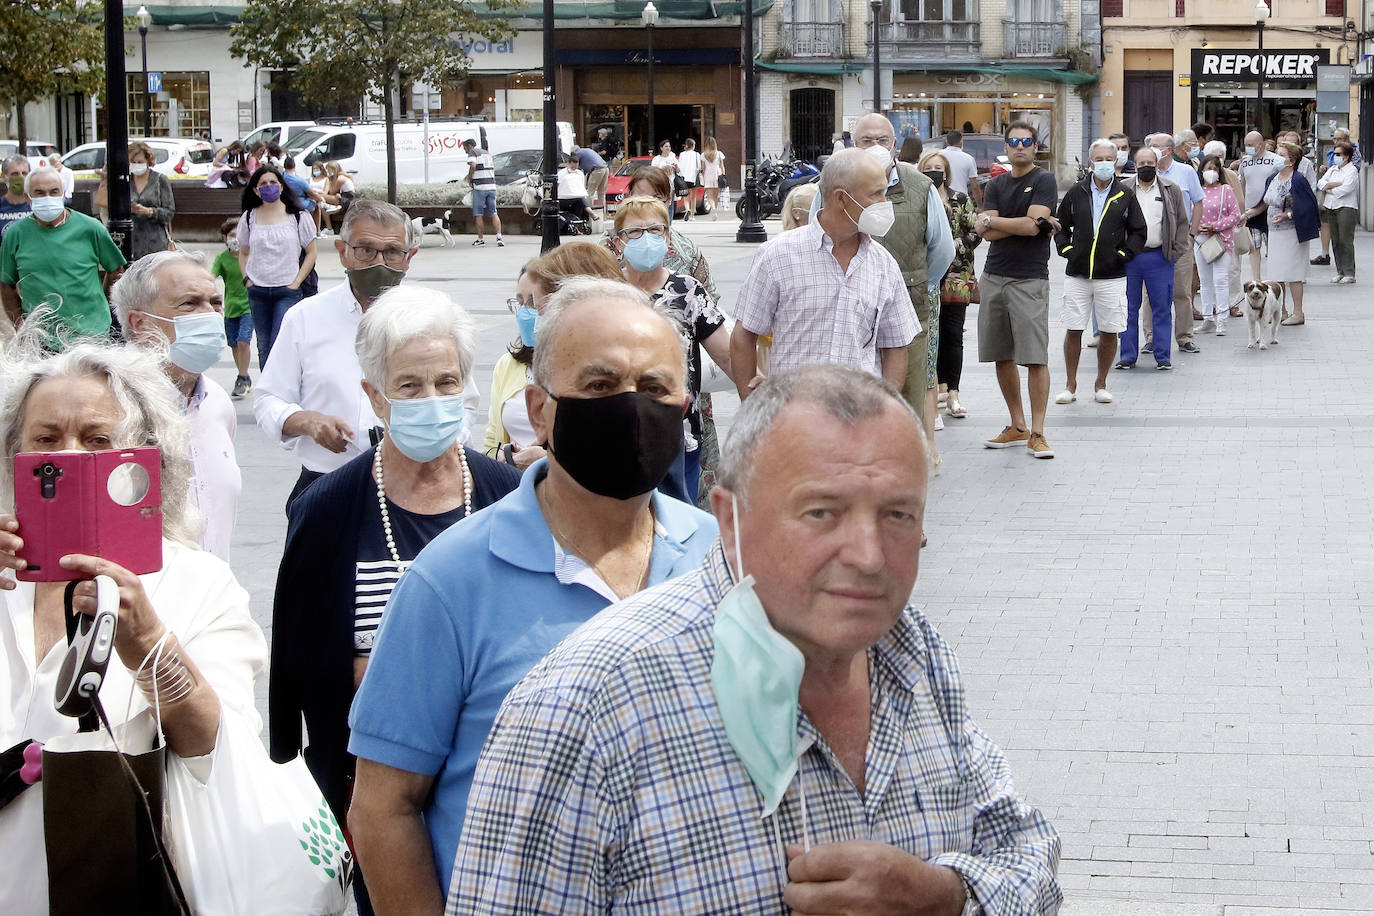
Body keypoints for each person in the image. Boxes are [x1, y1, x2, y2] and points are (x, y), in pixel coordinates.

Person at [446, 364, 1063, 915]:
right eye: (822, 512)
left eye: (898, 514)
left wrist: (945, 897)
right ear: (731, 519)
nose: (869, 556)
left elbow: (1028, 850)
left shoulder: (913, 652)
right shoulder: (587, 706)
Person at [347, 278, 719, 912]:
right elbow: (383, 809)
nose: (632, 409)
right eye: (600, 387)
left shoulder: (719, 556)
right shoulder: (450, 581)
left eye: (655, 389)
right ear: (540, 409)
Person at [269, 287, 520, 915]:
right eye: (409, 386)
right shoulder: (326, 510)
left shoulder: (511, 497)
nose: (432, 400)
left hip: (498, 774)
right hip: (371, 776)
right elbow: (297, 656)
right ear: (375, 395)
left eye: (446, 381)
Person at [0, 340, 267, 914]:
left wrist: (148, 642)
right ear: (13, 454)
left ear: (144, 457)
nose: (68, 457)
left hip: (131, 886)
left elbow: (215, 751)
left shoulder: (197, 583)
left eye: (97, 440)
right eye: (46, 439)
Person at [254, 199, 474, 513]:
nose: (379, 262)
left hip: (424, 487)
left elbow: (464, 401)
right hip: (327, 484)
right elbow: (268, 398)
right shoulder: (305, 318)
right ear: (343, 251)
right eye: (366, 250)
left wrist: (437, 437)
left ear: (409, 257)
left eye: (392, 252)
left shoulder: (437, 317)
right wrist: (306, 421)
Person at [730, 148, 920, 396]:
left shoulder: (883, 265)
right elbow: (743, 336)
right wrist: (751, 403)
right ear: (841, 198)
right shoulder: (778, 255)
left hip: (858, 418)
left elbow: (895, 346)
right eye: (877, 194)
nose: (885, 203)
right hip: (794, 417)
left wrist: (886, 407)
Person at [613, 196, 735, 503]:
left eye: (655, 230)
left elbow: (726, 354)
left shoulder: (688, 289)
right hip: (616, 429)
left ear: (668, 237)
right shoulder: (607, 291)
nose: (647, 238)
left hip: (677, 432)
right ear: (618, 243)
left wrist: (760, 391)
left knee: (678, 518)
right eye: (635, 232)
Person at [850, 114, 954, 455]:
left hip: (909, 309)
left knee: (906, 397)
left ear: (895, 144)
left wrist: (916, 284)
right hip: (849, 313)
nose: (875, 147)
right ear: (854, 145)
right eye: (867, 140)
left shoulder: (920, 186)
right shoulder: (835, 184)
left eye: (882, 140)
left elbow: (942, 250)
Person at [484, 243, 625, 469]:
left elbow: (623, 457)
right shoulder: (552, 364)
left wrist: (546, 463)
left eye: (540, 306)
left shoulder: (626, 369)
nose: (535, 317)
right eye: (523, 303)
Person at [975, 121, 1061, 458]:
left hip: (1029, 278)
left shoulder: (1044, 180)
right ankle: (1017, 424)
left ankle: (1038, 431)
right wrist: (1026, 225)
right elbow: (990, 234)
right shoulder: (996, 183)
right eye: (1013, 141)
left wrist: (994, 221)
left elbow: (1026, 226)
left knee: (1035, 357)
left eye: (1026, 141)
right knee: (1001, 353)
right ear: (1006, 147)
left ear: (1035, 147)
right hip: (994, 275)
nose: (1020, 146)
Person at [1052, 139, 1146, 406]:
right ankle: (1070, 385)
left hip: (1112, 275)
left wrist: (1122, 255)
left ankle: (1101, 383)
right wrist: (1067, 249)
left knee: (1109, 330)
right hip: (1077, 274)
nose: (1103, 163)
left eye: (1108, 158)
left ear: (1115, 162)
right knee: (1073, 328)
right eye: (1098, 159)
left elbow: (1139, 231)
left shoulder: (1125, 194)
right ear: (1090, 162)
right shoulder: (1076, 192)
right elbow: (1061, 226)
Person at [0, 167, 126, 345]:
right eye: (39, 193)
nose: (47, 197)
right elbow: (6, 285)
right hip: (41, 340)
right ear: (28, 197)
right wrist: (21, 327)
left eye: (53, 192)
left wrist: (102, 301)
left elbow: (116, 269)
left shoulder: (91, 228)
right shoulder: (15, 234)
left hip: (91, 334)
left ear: (63, 194)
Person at [235, 164, 318, 369]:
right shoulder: (249, 217)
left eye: (273, 182)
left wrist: (296, 282)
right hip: (258, 290)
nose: (268, 186)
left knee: (280, 343)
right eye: (263, 183)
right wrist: (247, 279)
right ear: (256, 190)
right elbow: (243, 252)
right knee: (264, 346)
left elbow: (311, 253)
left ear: (281, 186)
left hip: (287, 289)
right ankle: (268, 391)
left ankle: (285, 387)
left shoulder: (298, 216)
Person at [1117, 146, 1189, 370]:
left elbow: (1181, 222)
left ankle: (1163, 356)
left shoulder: (1170, 189)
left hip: (1159, 257)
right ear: (1135, 165)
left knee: (1162, 308)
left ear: (1157, 165)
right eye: (1141, 163)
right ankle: (1128, 355)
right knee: (1127, 308)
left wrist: (1175, 251)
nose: (1146, 167)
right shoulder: (1123, 188)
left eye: (1150, 163)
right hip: (1130, 258)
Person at [601, 165, 719, 300]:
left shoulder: (686, 250)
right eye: (641, 198)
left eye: (656, 198)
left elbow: (709, 296)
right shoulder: (608, 244)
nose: (648, 205)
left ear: (669, 200)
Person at [925, 150, 981, 421]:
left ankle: (954, 393)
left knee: (953, 333)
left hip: (957, 276)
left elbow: (976, 231)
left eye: (938, 167)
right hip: (927, 275)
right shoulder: (918, 198)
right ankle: (937, 388)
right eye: (929, 167)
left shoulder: (960, 198)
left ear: (946, 171)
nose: (934, 171)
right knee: (930, 334)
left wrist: (952, 246)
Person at [1245, 140, 1319, 326]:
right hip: (1275, 233)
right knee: (1277, 273)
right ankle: (1282, 310)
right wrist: (1249, 214)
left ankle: (1298, 312)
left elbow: (1309, 206)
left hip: (1292, 233)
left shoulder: (1298, 179)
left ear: (1291, 160)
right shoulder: (1273, 178)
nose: (1277, 158)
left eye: (1281, 155)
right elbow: (1265, 203)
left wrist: (1288, 215)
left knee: (1294, 273)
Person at [1147, 132, 1204, 354]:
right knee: (1150, 292)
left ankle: (1185, 337)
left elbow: (1198, 202)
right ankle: (1151, 337)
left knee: (1181, 289)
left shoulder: (1186, 172)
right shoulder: (1145, 172)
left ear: (1168, 149)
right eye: (1150, 145)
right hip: (1151, 241)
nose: (1151, 149)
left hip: (1180, 240)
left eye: (1155, 145)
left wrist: (1192, 233)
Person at [1191, 153, 1246, 336]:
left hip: (1221, 241)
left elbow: (1235, 215)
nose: (1212, 172)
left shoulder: (1226, 190)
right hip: (1200, 241)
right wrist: (1197, 227)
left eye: (1215, 169)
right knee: (1205, 282)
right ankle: (1208, 318)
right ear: (1202, 171)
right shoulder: (1196, 190)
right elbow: (1189, 213)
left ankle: (1222, 319)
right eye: (1208, 169)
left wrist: (1215, 226)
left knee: (1220, 280)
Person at [212, 217, 254, 397]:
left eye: (238, 235)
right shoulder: (222, 259)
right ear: (224, 237)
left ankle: (242, 376)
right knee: (235, 345)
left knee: (243, 341)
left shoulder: (250, 255)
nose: (235, 239)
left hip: (249, 306)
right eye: (231, 235)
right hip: (231, 308)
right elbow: (210, 278)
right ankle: (244, 375)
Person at [1237, 130, 1281, 282]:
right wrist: (1242, 206)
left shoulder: (1276, 160)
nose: (1247, 148)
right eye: (1245, 145)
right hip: (1251, 208)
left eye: (1250, 145)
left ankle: (1275, 277)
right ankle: (1257, 279)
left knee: (1273, 246)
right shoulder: (1245, 161)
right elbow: (1242, 182)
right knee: (1254, 246)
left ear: (1260, 144)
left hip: (1272, 208)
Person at [1313, 128, 1360, 267]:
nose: (1335, 157)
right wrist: (1330, 184)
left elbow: (1346, 188)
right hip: (1330, 204)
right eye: (1334, 139)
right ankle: (1339, 269)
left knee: (1345, 241)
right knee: (1336, 240)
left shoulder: (1352, 163)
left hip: (1345, 205)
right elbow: (1321, 183)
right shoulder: (1333, 167)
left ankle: (1349, 272)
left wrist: (1329, 188)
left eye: (1339, 139)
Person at [127, 140, 176, 261]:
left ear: (148, 161)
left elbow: (169, 212)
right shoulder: (126, 181)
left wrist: (149, 211)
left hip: (155, 241)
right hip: (131, 241)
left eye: (140, 162)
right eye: (133, 162)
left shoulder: (160, 180)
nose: (136, 165)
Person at [463, 138, 503, 247]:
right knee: (493, 212)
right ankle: (499, 237)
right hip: (491, 186)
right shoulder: (486, 153)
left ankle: (480, 240)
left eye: (465, 148)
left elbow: (473, 166)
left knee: (478, 214)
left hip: (480, 188)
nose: (465, 151)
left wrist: (469, 179)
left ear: (469, 146)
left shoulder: (473, 152)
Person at [942, 129, 980, 199]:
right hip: (961, 199)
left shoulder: (938, 155)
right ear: (961, 141)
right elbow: (974, 186)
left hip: (942, 198)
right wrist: (980, 206)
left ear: (947, 141)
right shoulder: (968, 158)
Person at [0, 155, 31, 242]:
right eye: (15, 174)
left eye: (24, 173)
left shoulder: (37, 206)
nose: (21, 177)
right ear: (4, 176)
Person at [320, 160, 354, 236]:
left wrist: (328, 181)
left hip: (347, 199)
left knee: (321, 199)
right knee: (322, 203)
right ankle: (329, 227)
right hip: (342, 196)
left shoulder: (340, 178)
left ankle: (329, 228)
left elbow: (332, 191)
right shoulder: (336, 177)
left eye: (329, 170)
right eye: (327, 170)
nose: (328, 172)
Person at [571, 143, 609, 212]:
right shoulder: (586, 150)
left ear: (574, 152)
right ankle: (603, 214)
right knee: (601, 193)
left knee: (589, 192)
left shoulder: (578, 153)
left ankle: (589, 213)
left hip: (597, 170)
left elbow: (575, 166)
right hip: (605, 168)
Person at [556, 153, 592, 223]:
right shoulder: (561, 173)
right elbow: (558, 185)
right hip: (563, 198)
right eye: (572, 167)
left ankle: (577, 221)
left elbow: (581, 186)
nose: (574, 168)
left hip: (575, 197)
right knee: (580, 200)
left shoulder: (580, 173)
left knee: (580, 200)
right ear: (568, 164)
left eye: (576, 166)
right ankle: (591, 213)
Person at [676, 138, 702, 220]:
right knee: (693, 197)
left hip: (684, 177)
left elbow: (679, 166)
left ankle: (687, 209)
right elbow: (699, 167)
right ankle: (692, 215)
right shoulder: (696, 154)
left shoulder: (682, 154)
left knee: (686, 196)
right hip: (693, 177)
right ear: (693, 145)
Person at [701, 136, 725, 217]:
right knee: (715, 196)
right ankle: (715, 211)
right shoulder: (719, 153)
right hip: (718, 174)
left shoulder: (704, 155)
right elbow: (722, 166)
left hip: (708, 175)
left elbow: (703, 168)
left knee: (709, 196)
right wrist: (723, 175)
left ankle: (714, 210)